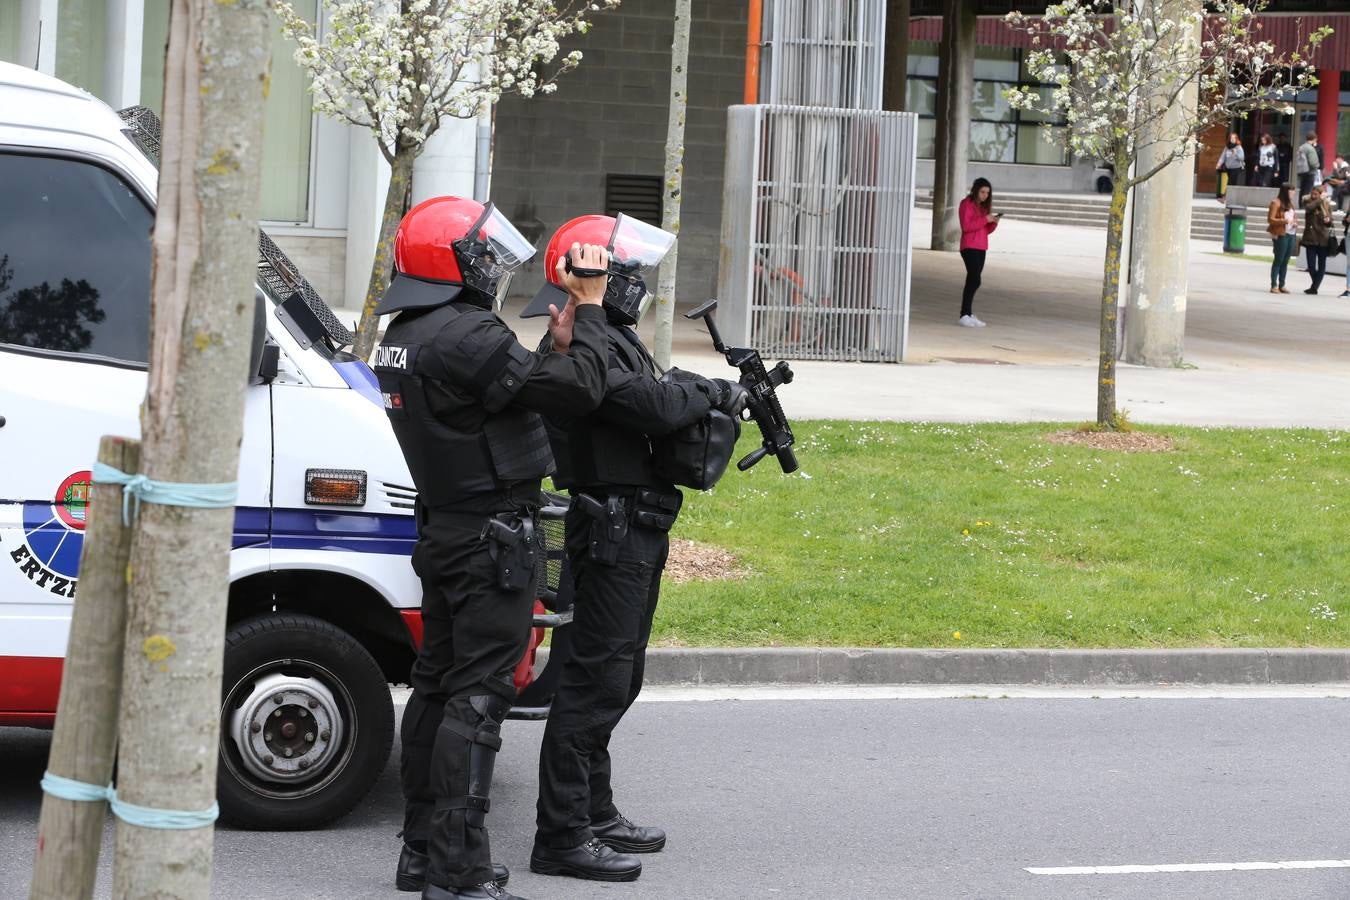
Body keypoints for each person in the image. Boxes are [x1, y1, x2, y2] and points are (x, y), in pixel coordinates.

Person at [372, 195, 612, 900]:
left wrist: (554, 346)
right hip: (490, 539)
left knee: (437, 687)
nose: (491, 266)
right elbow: (578, 392)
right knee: (478, 699)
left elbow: (501, 394)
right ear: (453, 263)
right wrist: (590, 309)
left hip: (449, 530)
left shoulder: (409, 331)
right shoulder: (468, 333)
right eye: (481, 254)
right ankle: (458, 870)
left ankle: (424, 853)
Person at [519, 214, 747, 884]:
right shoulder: (574, 343)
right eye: (626, 271)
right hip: (609, 528)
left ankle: (594, 812)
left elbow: (657, 393)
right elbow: (651, 404)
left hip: (633, 526)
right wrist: (711, 391)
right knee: (593, 681)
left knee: (619, 677)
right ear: (593, 275)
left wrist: (692, 391)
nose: (636, 283)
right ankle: (562, 835)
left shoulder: (606, 334)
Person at [958, 177, 999, 327]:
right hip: (969, 246)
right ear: (975, 190)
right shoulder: (966, 204)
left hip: (981, 246)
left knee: (973, 279)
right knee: (975, 279)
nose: (985, 195)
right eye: (982, 192)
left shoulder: (983, 207)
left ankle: (967, 314)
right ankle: (964, 314)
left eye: (987, 193)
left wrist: (993, 223)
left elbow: (985, 230)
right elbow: (966, 226)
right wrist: (985, 219)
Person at [1302, 183, 1333, 295]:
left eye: (1316, 194)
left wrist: (1328, 221)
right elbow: (1309, 209)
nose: (1313, 196)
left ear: (1320, 194)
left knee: (1321, 265)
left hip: (1323, 239)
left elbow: (1331, 222)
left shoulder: (1326, 204)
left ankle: (1314, 287)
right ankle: (1315, 285)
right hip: (1311, 237)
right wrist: (1320, 199)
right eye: (1313, 194)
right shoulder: (1307, 201)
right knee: (1311, 265)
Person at [1267, 184, 1298, 294]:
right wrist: (1284, 221)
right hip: (1281, 234)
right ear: (1285, 191)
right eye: (1291, 190)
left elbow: (1293, 217)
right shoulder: (1276, 202)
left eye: (1294, 190)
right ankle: (1274, 285)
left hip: (1291, 234)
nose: (1293, 193)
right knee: (1279, 259)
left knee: (1285, 260)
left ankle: (1282, 284)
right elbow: (1270, 219)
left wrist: (1295, 223)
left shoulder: (1290, 204)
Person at [1215, 132, 1245, 198]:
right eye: (1231, 138)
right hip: (1228, 168)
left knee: (1230, 182)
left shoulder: (1239, 147)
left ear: (1236, 139)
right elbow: (1223, 157)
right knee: (1232, 183)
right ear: (1229, 139)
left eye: (1234, 138)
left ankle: (1225, 196)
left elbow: (1242, 158)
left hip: (1236, 167)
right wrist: (1219, 164)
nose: (1233, 139)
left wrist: (1235, 153)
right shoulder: (1227, 147)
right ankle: (1232, 197)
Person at [1296, 131, 1319, 200]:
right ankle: (1305, 204)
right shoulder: (1311, 149)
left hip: (1302, 171)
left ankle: (1300, 203)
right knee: (1308, 190)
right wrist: (1317, 165)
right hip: (1310, 172)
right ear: (1314, 139)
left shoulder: (1301, 147)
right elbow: (1313, 163)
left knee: (1302, 190)